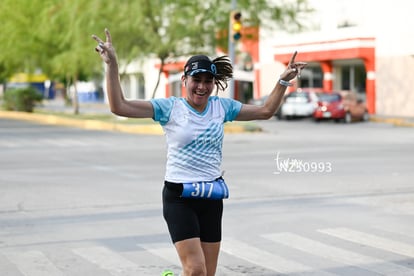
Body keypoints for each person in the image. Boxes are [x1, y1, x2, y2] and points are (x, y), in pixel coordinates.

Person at [92, 28, 306, 276]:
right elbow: (120, 106)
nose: (202, 87)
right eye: (197, 80)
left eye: (208, 81)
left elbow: (265, 111)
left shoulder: (221, 107)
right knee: (195, 269)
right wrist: (112, 65)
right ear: (185, 81)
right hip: (179, 197)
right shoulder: (169, 108)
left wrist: (283, 80)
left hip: (211, 197)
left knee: (207, 273)